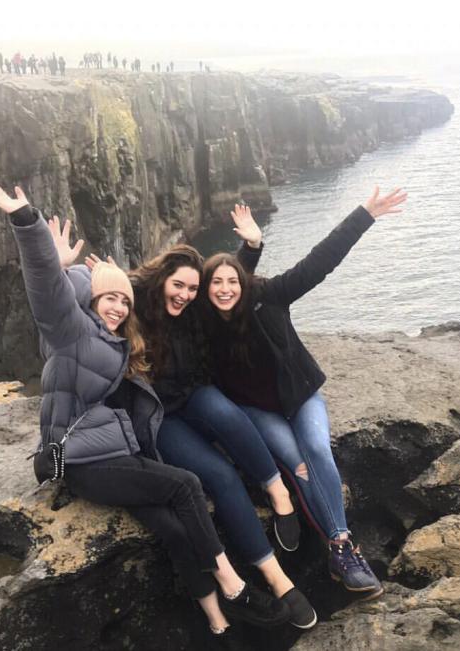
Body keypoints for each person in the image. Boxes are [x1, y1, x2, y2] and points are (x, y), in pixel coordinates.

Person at [0, 179, 291, 646]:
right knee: (187, 486)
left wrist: (248, 250)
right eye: (109, 298)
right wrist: (27, 222)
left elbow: (179, 296)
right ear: (90, 301)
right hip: (83, 462)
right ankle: (234, 585)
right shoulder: (71, 333)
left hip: (111, 453)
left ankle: (217, 622)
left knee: (173, 528)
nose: (118, 306)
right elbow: (45, 288)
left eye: (124, 301)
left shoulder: (117, 340)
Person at [110, 208, 317, 630]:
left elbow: (231, 285)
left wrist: (253, 247)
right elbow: (83, 302)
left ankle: (278, 492)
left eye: (191, 288)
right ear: (160, 281)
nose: (185, 295)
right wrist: (100, 280)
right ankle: (277, 580)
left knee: (230, 414)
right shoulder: (136, 306)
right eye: (178, 285)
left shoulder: (195, 307)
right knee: (220, 476)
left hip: (194, 392)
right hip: (160, 416)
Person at [200, 188, 407, 601]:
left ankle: (341, 548)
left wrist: (363, 214)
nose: (224, 289)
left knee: (316, 448)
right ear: (206, 289)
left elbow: (320, 262)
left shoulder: (270, 295)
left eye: (231, 281)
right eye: (215, 283)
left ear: (242, 282)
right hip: (259, 410)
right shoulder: (203, 323)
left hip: (300, 397)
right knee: (299, 466)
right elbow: (166, 295)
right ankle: (343, 550)